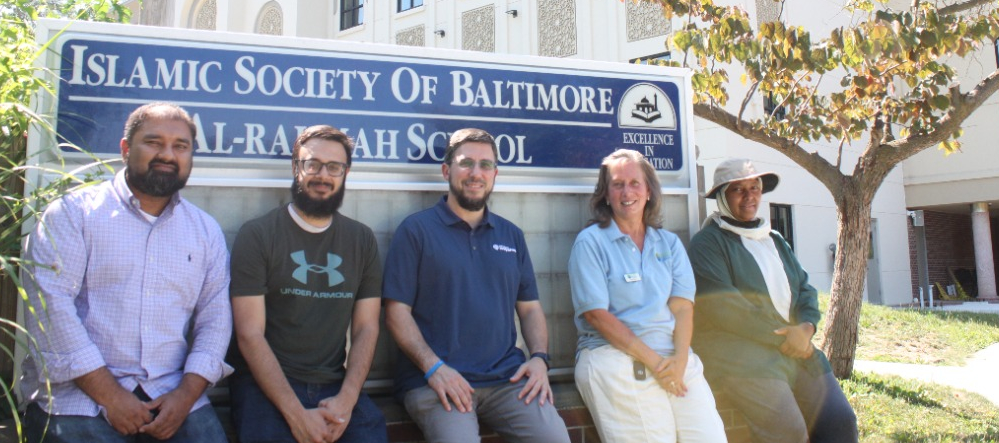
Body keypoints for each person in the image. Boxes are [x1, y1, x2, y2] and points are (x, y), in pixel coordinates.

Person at [21, 102, 232, 443]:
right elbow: (51, 311)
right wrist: (112, 397)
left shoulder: (205, 231)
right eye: (153, 142)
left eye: (180, 146)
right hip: (78, 398)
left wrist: (185, 397)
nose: (168, 154)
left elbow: (215, 320)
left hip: (172, 393)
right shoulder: (73, 215)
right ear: (125, 149)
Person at [383, 128, 571, 443]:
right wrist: (433, 368)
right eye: (466, 163)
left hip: (506, 380)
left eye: (485, 165)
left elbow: (530, 309)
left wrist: (539, 358)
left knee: (555, 438)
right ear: (447, 171)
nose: (476, 173)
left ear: (495, 174)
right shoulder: (416, 230)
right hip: (435, 381)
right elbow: (395, 313)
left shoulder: (511, 235)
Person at [228, 125, 386, 443]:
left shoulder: (361, 240)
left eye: (334, 167)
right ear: (295, 167)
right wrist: (296, 414)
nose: (322, 175)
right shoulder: (258, 234)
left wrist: (348, 398)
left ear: (346, 172)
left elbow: (367, 328)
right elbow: (249, 334)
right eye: (312, 164)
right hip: (264, 386)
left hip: (333, 383)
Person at [688, 159, 858, 443]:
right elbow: (725, 308)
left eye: (754, 188)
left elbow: (804, 289)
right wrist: (785, 338)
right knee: (788, 432)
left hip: (795, 352)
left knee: (840, 421)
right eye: (737, 189)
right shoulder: (709, 243)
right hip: (742, 357)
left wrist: (806, 329)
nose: (749, 196)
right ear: (721, 196)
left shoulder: (775, 239)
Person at [568, 149, 726, 443]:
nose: (626, 192)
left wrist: (679, 360)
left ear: (650, 191)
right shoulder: (590, 243)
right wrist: (655, 363)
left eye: (634, 183)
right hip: (615, 357)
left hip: (674, 360)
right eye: (617, 184)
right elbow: (596, 316)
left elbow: (682, 308)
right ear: (606, 193)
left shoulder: (668, 243)